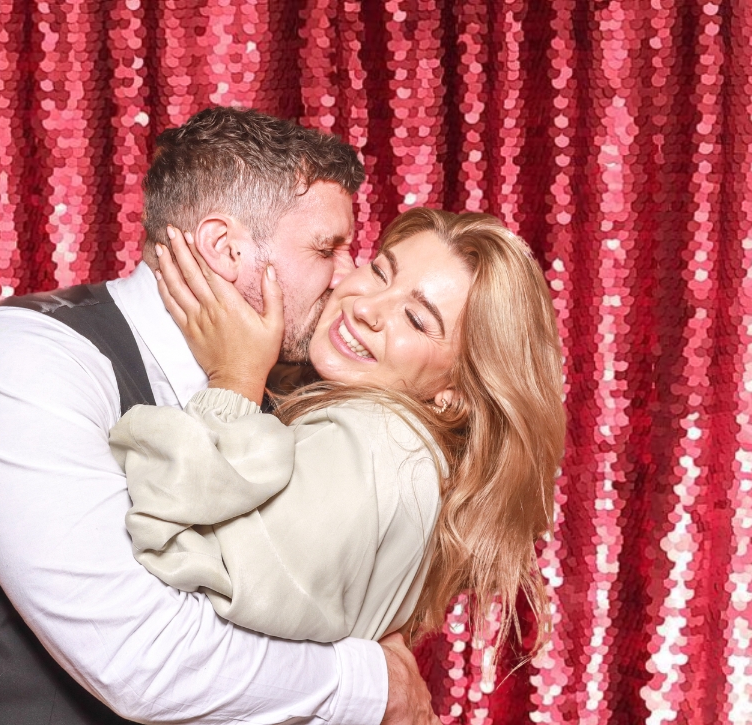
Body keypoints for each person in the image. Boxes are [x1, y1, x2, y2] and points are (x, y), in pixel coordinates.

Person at [0, 107, 439, 725]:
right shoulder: (17, 358)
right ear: (224, 248)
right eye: (328, 248)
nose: (349, 278)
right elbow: (139, 658)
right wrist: (369, 684)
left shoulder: (295, 404)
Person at [113, 208, 564, 658]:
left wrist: (235, 377)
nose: (366, 307)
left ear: (457, 392)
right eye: (381, 272)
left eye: (416, 319)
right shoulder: (405, 452)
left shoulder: (375, 441)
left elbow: (165, 566)